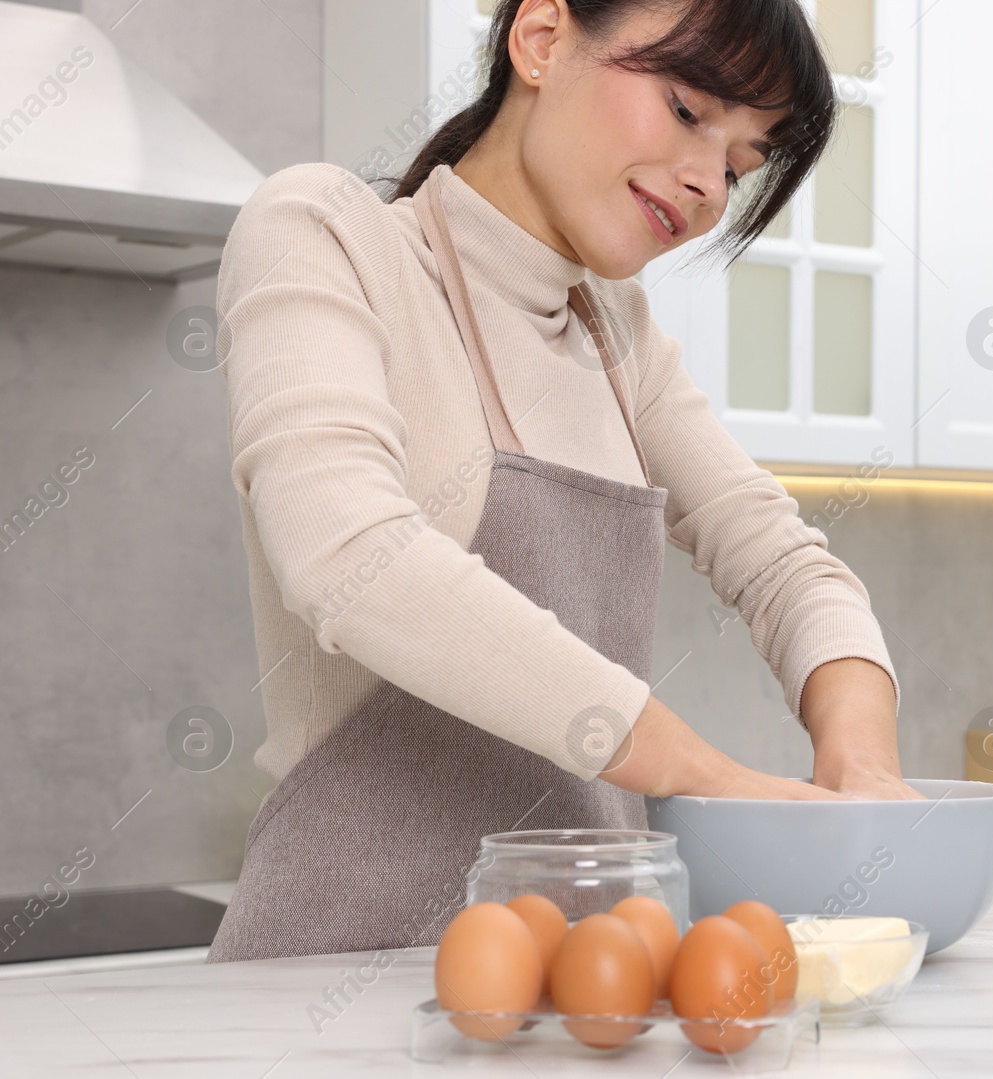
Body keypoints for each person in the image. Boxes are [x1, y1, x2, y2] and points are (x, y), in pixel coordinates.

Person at [205, 0, 919, 963]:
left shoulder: (620, 340)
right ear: (541, 40)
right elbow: (350, 552)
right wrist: (704, 770)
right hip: (335, 979)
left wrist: (861, 766)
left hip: (586, 990)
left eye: (743, 164)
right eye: (686, 109)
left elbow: (787, 565)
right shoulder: (328, 235)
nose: (710, 183)